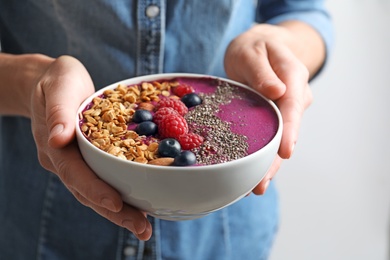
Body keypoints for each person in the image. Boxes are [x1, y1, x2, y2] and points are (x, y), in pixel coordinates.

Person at [0, 1, 332, 259]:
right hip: (46, 228)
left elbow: (304, 12)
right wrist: (29, 82)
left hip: (226, 233)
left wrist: (278, 45)